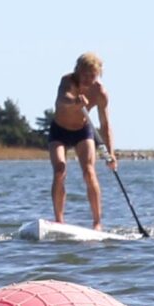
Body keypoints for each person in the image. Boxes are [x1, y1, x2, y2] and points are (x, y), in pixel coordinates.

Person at [47, 54, 115, 227]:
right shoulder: (67, 81)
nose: (87, 80)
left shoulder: (100, 93)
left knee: (89, 172)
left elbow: (105, 125)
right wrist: (74, 102)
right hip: (59, 131)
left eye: (92, 76)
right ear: (77, 70)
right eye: (84, 75)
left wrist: (110, 154)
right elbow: (62, 99)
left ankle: (97, 222)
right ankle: (59, 220)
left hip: (82, 132)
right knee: (59, 170)